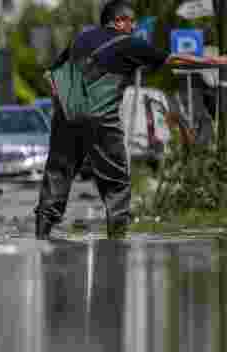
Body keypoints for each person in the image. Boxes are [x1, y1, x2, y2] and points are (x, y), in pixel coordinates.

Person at [35, 0, 227, 240]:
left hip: (67, 115)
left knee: (58, 173)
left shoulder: (80, 39)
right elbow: (173, 60)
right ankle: (116, 242)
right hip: (101, 119)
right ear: (118, 21)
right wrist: (215, 62)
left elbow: (50, 74)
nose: (134, 26)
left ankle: (41, 235)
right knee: (116, 181)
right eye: (131, 21)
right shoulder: (129, 43)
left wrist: (63, 99)